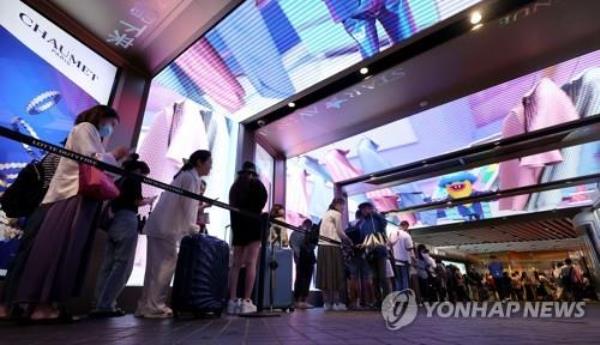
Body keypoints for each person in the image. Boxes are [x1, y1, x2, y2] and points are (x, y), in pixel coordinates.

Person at [11, 105, 129, 321]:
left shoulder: (88, 133)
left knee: (63, 251)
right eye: (112, 124)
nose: (111, 129)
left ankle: (43, 305)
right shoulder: (86, 128)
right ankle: (42, 306)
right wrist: (115, 155)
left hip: (77, 196)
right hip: (72, 196)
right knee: (60, 251)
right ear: (102, 117)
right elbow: (91, 159)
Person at [136, 150, 212, 319]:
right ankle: (154, 306)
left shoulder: (184, 175)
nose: (210, 166)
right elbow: (188, 206)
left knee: (153, 269)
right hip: (166, 229)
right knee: (164, 267)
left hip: (160, 226)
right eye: (209, 162)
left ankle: (145, 305)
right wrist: (193, 228)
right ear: (200, 162)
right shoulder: (192, 178)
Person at [91, 155, 155, 317]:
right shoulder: (134, 179)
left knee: (108, 265)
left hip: (114, 222)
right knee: (122, 266)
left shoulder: (120, 180)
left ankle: (99, 303)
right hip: (127, 221)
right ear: (139, 170)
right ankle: (107, 304)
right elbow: (136, 201)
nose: (144, 178)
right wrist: (148, 201)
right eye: (144, 175)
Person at [227, 161, 268, 315]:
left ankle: (232, 301)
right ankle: (246, 300)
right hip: (254, 225)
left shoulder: (235, 187)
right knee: (251, 263)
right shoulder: (257, 185)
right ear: (253, 173)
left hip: (238, 227)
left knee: (236, 264)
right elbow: (262, 203)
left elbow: (232, 208)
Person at [316, 198, 352, 311]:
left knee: (324, 275)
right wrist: (349, 240)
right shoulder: (336, 214)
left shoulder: (326, 214)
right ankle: (336, 303)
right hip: (333, 246)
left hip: (322, 246)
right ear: (337, 204)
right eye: (342, 206)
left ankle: (327, 303)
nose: (343, 208)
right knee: (336, 274)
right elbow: (340, 232)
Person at [356, 202, 390, 305]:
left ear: (371, 208)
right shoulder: (362, 223)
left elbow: (384, 223)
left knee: (383, 277)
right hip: (369, 253)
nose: (364, 211)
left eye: (366, 208)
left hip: (380, 251)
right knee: (374, 278)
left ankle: (387, 300)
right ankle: (378, 300)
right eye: (362, 209)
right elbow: (362, 238)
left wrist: (374, 213)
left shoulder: (377, 219)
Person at [345, 211, 375, 309]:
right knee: (367, 278)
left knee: (353, 278)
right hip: (363, 254)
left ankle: (354, 302)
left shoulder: (349, 225)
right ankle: (368, 302)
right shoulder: (364, 225)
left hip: (352, 254)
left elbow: (345, 241)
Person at [290, 219, 318, 309]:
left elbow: (313, 244)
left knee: (307, 279)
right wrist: (298, 256)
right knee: (300, 278)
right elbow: (294, 245)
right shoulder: (297, 232)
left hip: (309, 257)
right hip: (302, 257)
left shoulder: (310, 233)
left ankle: (303, 300)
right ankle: (298, 300)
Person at [388, 220, 414, 293]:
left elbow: (389, 246)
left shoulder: (392, 233)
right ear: (406, 226)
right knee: (405, 279)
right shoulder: (407, 235)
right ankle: (405, 298)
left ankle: (399, 298)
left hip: (395, 261)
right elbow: (410, 248)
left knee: (397, 280)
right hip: (405, 261)